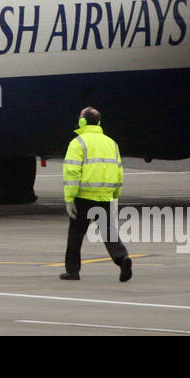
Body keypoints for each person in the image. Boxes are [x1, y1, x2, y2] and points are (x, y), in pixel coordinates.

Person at [60, 106, 133, 282]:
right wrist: (115, 193)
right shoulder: (111, 143)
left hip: (83, 197)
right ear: (98, 123)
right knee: (109, 232)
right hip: (104, 196)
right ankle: (122, 259)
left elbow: (72, 172)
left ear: (83, 121)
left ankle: (73, 270)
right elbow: (119, 172)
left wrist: (70, 198)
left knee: (76, 234)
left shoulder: (78, 143)